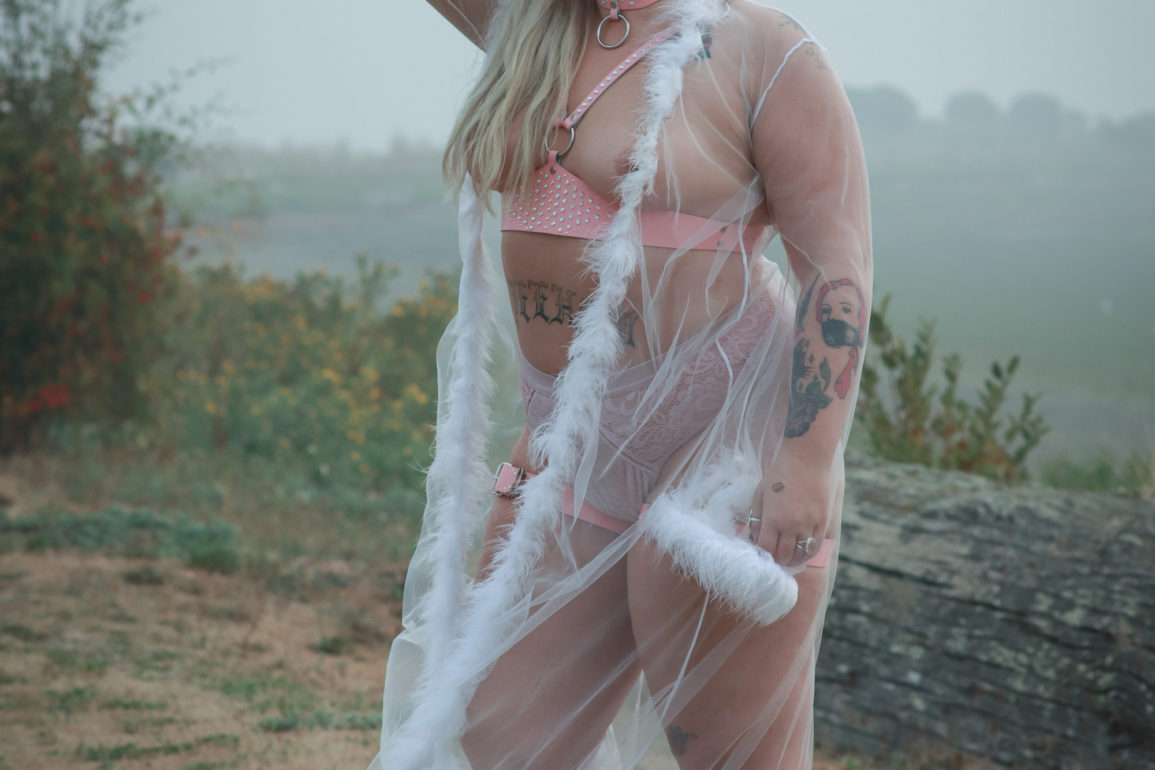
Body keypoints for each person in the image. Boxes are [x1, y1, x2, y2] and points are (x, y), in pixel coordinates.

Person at [372, 0, 871, 767]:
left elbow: (836, 268)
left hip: (724, 437)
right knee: (503, 741)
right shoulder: (535, 22)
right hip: (573, 440)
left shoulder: (764, 49)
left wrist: (807, 461)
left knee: (731, 755)